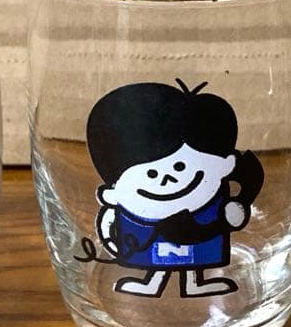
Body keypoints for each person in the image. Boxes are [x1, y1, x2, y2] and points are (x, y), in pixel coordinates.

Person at [85, 79, 263, 298]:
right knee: (158, 258)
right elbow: (108, 224)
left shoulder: (211, 204)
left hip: (201, 250)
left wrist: (233, 213)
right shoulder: (131, 214)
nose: (167, 179)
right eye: (151, 173)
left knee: (193, 257)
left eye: (180, 166)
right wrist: (113, 243)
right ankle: (151, 284)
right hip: (150, 250)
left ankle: (194, 284)